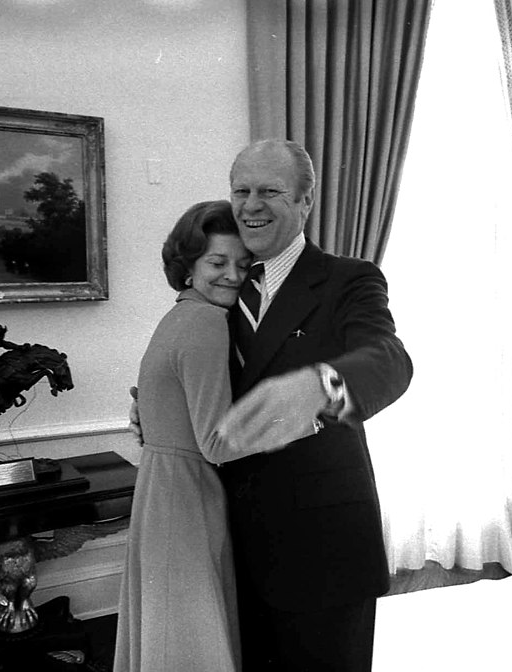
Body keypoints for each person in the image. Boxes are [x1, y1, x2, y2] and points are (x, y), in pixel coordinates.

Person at [131, 139, 412, 671]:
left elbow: (390, 359)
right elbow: (197, 380)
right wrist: (156, 406)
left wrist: (322, 385)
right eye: (241, 191)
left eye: (270, 192)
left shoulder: (348, 279)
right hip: (228, 547)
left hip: (323, 553)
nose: (251, 205)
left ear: (306, 201)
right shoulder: (220, 291)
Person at [113, 200, 315, 672]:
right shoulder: (207, 322)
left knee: (170, 632)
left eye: (243, 265)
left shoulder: (178, 315)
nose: (232, 275)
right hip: (187, 495)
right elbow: (216, 442)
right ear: (187, 267)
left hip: (162, 488)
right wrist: (305, 414)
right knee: (190, 638)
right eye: (217, 262)